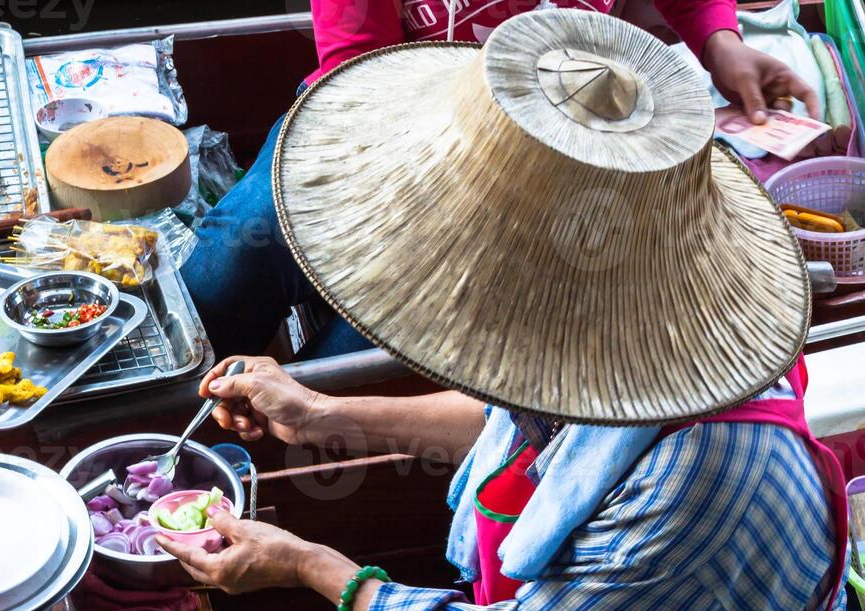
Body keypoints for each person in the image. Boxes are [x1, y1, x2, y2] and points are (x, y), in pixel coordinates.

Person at [157, 11, 865, 611]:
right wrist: (322, 412)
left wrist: (310, 569)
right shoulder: (613, 336)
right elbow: (515, 428)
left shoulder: (707, 472)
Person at [181, 0, 822, 359]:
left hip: (541, 168)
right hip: (373, 120)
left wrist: (720, 42)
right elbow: (358, 68)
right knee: (236, 254)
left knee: (365, 361)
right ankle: (177, 417)